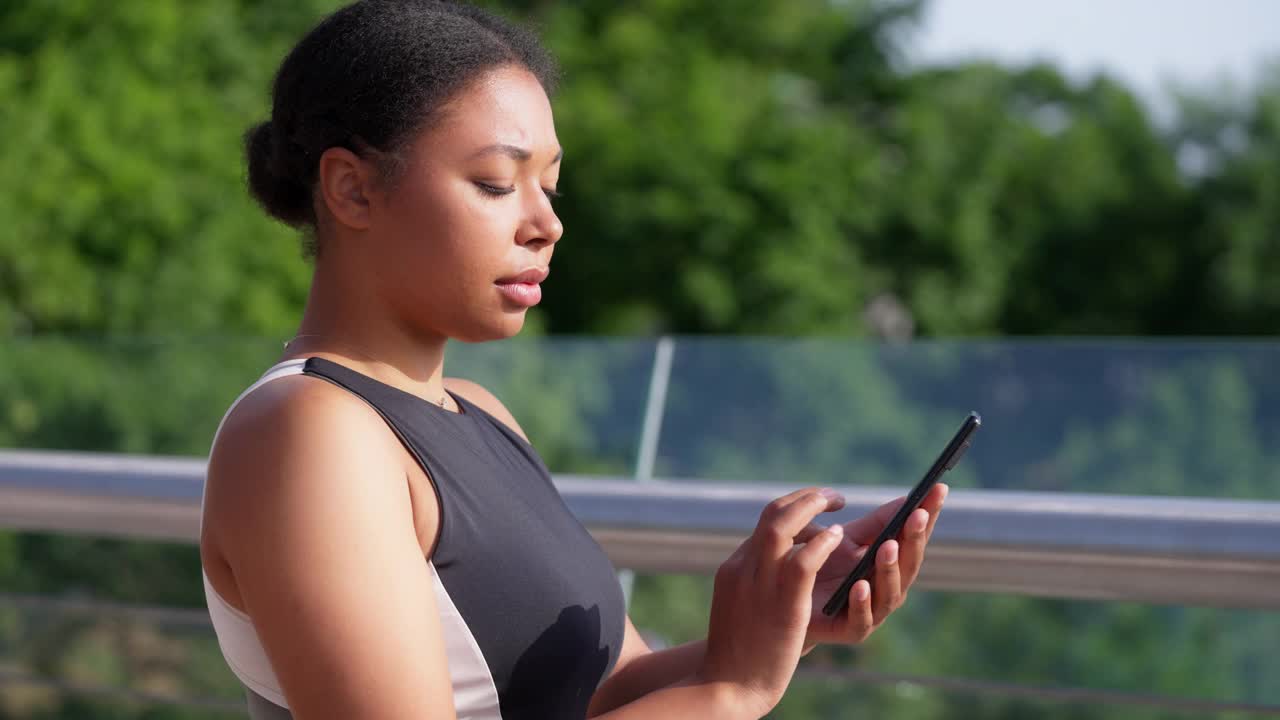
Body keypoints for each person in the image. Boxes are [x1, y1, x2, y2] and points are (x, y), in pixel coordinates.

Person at [197, 2, 949, 718]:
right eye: (497, 183)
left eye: (550, 186)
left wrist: (776, 626)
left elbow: (598, 694)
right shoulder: (307, 432)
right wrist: (731, 694)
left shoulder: (477, 413)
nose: (547, 223)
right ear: (352, 189)